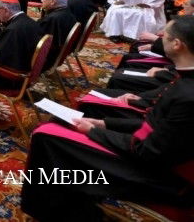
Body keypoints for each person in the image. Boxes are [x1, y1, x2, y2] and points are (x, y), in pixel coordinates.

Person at [20, 16, 194, 221]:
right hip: (151, 152)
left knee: (46, 137)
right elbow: (155, 125)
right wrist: (104, 123)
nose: (160, 36)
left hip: (157, 175)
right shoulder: (185, 84)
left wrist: (95, 131)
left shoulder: (187, 96)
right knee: (60, 126)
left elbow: (149, 149)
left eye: (165, 34)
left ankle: (56, 211)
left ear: (177, 44)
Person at [37, 0, 77, 70]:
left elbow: (37, 42)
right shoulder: (67, 12)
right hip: (58, 55)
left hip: (44, 60)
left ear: (52, 1)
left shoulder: (52, 19)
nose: (41, 0)